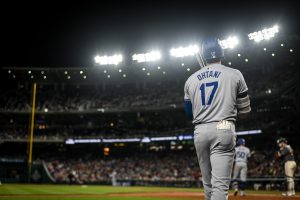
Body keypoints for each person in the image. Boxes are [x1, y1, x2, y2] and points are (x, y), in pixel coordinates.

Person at [184, 37, 251, 200]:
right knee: (220, 186)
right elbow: (245, 111)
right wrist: (230, 105)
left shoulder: (191, 80)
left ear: (203, 56)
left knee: (208, 184)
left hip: (200, 130)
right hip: (224, 126)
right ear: (222, 53)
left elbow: (189, 113)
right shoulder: (235, 74)